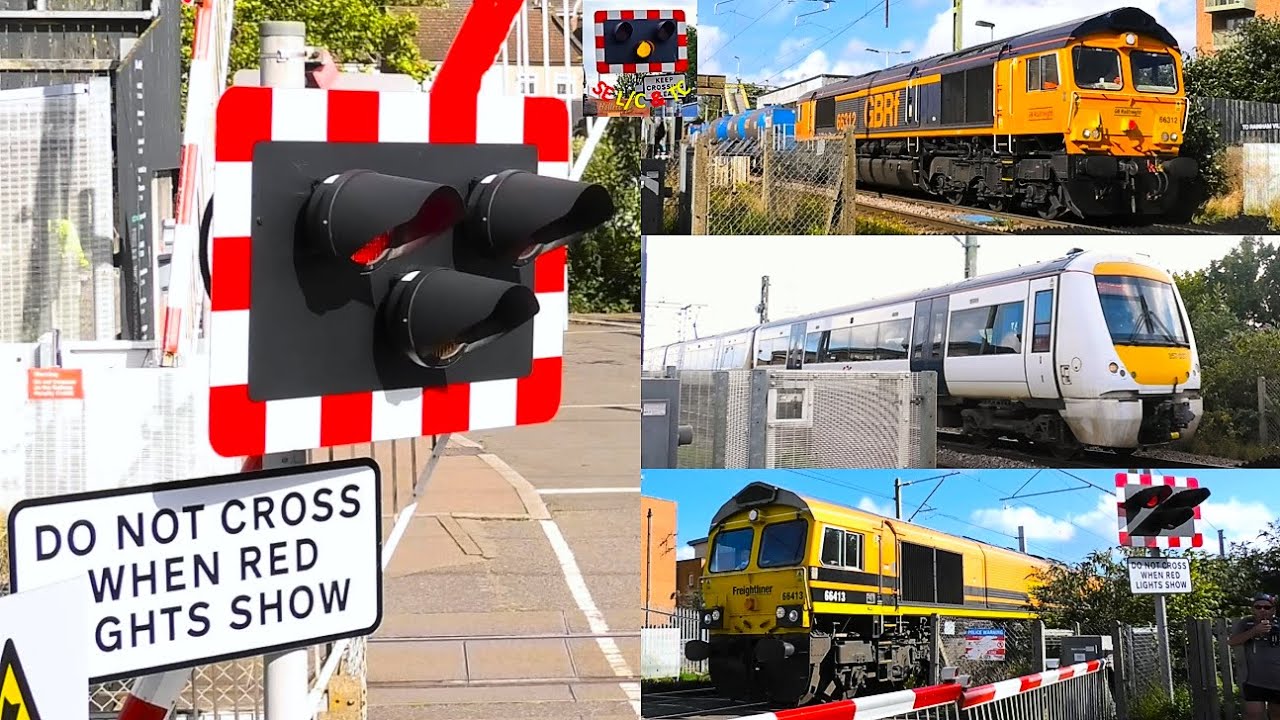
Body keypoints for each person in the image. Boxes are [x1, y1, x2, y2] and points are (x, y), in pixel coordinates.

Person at [1229, 593, 1280, 720]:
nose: (1262, 610)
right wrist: (1255, 631)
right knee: (1253, 715)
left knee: (1276, 714)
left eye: (1267, 607)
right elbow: (1232, 641)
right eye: (1258, 607)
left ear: (1273, 610)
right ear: (1253, 609)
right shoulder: (1246, 623)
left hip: (1277, 681)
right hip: (1254, 681)